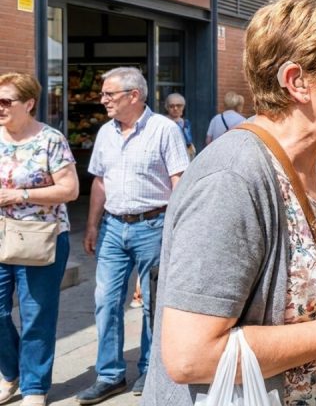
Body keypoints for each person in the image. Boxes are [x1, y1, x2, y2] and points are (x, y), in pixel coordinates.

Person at [143, 0, 316, 405]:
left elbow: (295, 295)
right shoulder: (232, 178)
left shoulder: (312, 164)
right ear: (298, 82)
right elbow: (189, 356)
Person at [78, 67, 190, 404]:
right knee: (105, 301)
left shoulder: (164, 130)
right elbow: (100, 182)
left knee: (152, 304)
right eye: (102, 94)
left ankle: (149, 369)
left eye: (109, 94)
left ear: (134, 95)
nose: (103, 100)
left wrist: (177, 230)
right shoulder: (105, 133)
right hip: (113, 227)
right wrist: (93, 224)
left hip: (153, 226)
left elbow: (179, 180)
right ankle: (109, 375)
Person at [0, 73, 79, 406]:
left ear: (29, 103)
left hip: (41, 239)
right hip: (0, 235)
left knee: (36, 316)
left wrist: (21, 195)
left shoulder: (50, 139)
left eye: (6, 101)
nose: (0, 107)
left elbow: (70, 189)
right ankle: (10, 371)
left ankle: (34, 386)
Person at [164, 93, 194, 159]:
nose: (175, 108)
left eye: (179, 106)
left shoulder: (186, 123)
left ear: (183, 107)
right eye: (171, 106)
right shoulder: (163, 123)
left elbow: (189, 142)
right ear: (167, 107)